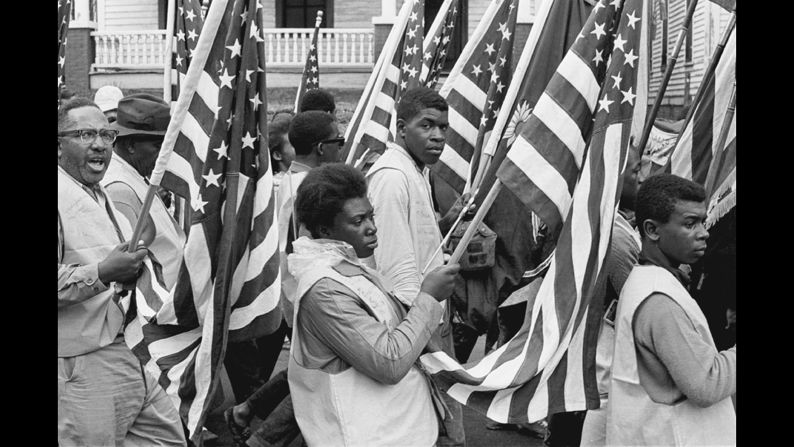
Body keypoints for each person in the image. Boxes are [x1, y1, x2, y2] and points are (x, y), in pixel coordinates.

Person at [287, 163, 460, 446]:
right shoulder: (325, 289)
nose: (372, 228)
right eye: (358, 222)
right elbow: (389, 363)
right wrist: (428, 297)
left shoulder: (350, 269)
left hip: (399, 432)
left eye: (371, 216)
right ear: (325, 229)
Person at [58, 97, 185, 446]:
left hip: (130, 348)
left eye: (105, 134)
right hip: (83, 364)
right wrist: (103, 272)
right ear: (58, 144)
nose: (99, 143)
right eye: (84, 134)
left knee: (168, 439)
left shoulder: (99, 192)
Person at [224, 110, 344, 447]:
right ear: (321, 147)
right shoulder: (313, 190)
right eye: (338, 142)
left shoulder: (279, 182)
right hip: (298, 289)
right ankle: (260, 433)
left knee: (307, 369)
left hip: (279, 289)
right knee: (318, 372)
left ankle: (249, 412)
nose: (341, 148)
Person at [365, 86, 469, 446]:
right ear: (401, 127)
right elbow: (396, 272)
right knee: (436, 432)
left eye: (443, 127)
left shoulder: (415, 171)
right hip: (414, 325)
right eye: (427, 125)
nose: (438, 136)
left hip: (428, 318)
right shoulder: (393, 177)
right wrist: (426, 338)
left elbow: (416, 241)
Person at [605, 174, 736, 446]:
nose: (704, 232)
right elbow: (705, 385)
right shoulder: (659, 299)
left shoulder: (649, 279)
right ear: (652, 230)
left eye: (702, 221)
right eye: (690, 224)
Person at [576, 146, 642, 447]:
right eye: (636, 171)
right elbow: (637, 295)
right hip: (604, 350)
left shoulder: (612, 221)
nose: (642, 178)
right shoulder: (614, 236)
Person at [102, 94, 186, 290]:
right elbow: (127, 268)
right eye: (158, 146)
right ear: (131, 145)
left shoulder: (133, 173)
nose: (166, 154)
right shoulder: (118, 188)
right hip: (150, 310)